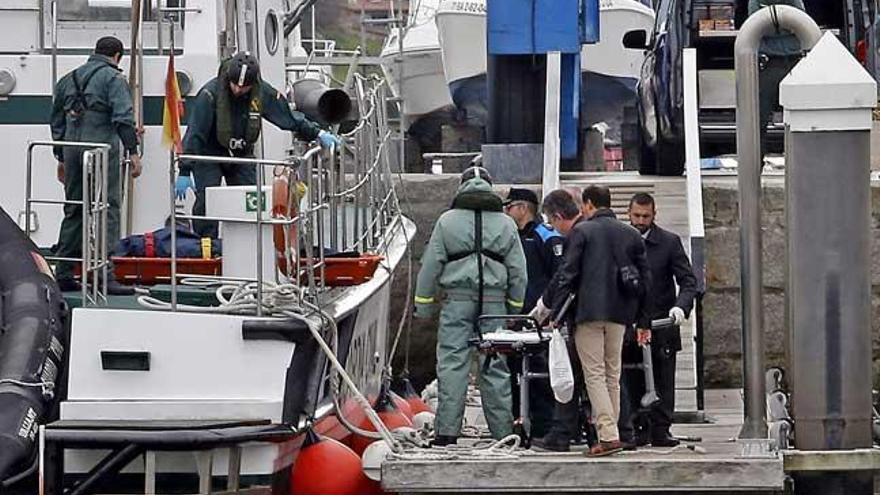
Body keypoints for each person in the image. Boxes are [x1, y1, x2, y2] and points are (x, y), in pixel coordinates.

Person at [414, 166, 527, 446]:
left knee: (453, 365)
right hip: (494, 304)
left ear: (461, 187)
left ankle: (447, 433)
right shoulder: (506, 223)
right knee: (495, 365)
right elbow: (519, 272)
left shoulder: (446, 221)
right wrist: (513, 310)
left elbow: (430, 266)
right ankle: (503, 433)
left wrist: (424, 307)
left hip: (457, 303)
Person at [176, 51, 342, 238]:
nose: (238, 90)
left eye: (244, 87)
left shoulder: (262, 93)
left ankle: (248, 242)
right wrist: (184, 170)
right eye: (235, 85)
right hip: (209, 154)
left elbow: (288, 117)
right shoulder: (209, 94)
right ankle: (206, 245)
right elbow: (195, 133)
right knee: (205, 201)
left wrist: (317, 132)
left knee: (250, 201)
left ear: (252, 84)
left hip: (241, 154)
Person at [551, 185, 652, 457]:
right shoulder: (631, 234)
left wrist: (556, 313)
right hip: (621, 314)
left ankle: (607, 435)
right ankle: (613, 433)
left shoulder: (582, 232)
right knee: (612, 375)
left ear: (588, 204)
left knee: (594, 374)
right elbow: (645, 281)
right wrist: (644, 320)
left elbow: (568, 274)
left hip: (588, 313)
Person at [50, 36, 142, 293]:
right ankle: (103, 273)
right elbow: (123, 118)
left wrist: (60, 156)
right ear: (117, 56)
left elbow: (56, 122)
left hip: (72, 153)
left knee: (75, 208)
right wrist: (134, 152)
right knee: (106, 208)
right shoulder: (114, 79)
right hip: (101, 153)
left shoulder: (68, 79)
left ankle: (65, 271)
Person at [619, 193, 698, 447]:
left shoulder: (669, 242)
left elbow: (688, 281)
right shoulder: (620, 242)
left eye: (646, 216)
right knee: (631, 378)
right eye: (636, 216)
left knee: (664, 378)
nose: (641, 221)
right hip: (630, 323)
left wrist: (681, 308)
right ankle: (636, 426)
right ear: (628, 214)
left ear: (655, 215)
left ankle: (661, 429)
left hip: (661, 322)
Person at [528, 189, 588, 452]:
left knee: (569, 376)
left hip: (586, 317)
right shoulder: (596, 230)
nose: (553, 229)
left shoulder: (578, 236)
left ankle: (563, 433)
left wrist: (549, 311)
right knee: (606, 377)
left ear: (559, 216)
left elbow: (566, 277)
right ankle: (619, 431)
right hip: (611, 314)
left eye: (553, 223)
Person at [503, 187, 563, 438]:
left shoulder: (545, 235)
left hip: (540, 318)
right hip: (515, 318)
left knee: (541, 375)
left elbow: (560, 276)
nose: (505, 211)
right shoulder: (510, 235)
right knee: (515, 374)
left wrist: (551, 311)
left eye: (509, 207)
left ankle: (544, 425)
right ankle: (518, 420)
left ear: (523, 208)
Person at [748, 0, 807, 158]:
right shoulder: (755, 1)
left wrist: (771, 25)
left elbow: (802, 24)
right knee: (758, 121)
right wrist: (786, 25)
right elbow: (755, 29)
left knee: (802, 117)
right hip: (768, 64)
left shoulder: (795, 1)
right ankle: (754, 169)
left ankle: (802, 163)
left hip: (794, 63)